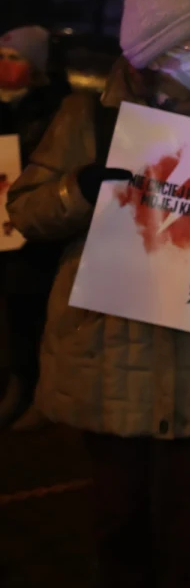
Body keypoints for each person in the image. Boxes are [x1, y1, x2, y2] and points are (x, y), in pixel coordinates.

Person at [7, 0, 190, 588]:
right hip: (112, 350)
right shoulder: (89, 116)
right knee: (118, 516)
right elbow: (26, 210)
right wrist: (79, 190)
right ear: (151, 55)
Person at [0, 26, 69, 430]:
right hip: (5, 229)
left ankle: (37, 392)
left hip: (35, 231)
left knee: (32, 311)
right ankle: (18, 385)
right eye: (2, 59)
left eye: (15, 59)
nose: (6, 67)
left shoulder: (55, 110)